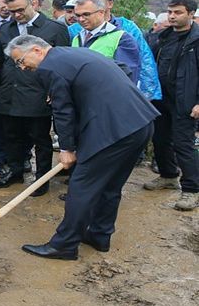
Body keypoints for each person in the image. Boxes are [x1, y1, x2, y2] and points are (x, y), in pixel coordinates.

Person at [8, 37, 158, 260]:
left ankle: (64, 245)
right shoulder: (74, 53)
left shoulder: (48, 68)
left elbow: (63, 111)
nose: (22, 67)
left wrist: (67, 149)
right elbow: (123, 69)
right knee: (110, 185)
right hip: (140, 122)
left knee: (81, 186)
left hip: (112, 130)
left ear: (37, 50)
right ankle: (99, 234)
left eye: (21, 60)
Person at [0, 0, 70, 195]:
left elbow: (63, 63)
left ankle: (41, 180)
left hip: (38, 93)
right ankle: (15, 172)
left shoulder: (54, 28)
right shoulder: (6, 28)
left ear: (32, 4)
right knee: (11, 136)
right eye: (11, 12)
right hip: (10, 92)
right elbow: (0, 61)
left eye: (20, 10)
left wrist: (55, 91)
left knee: (40, 139)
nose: (16, 15)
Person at [145, 0, 199, 211]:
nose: (172, 16)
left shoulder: (196, 40)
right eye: (170, 12)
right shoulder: (162, 37)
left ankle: (192, 190)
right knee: (159, 139)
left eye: (178, 12)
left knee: (183, 144)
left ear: (191, 14)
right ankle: (168, 176)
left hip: (185, 101)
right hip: (161, 99)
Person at [70, 0, 141, 83]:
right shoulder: (77, 38)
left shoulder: (122, 38)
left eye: (86, 14)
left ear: (101, 13)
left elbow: (127, 77)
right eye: (77, 15)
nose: (81, 19)